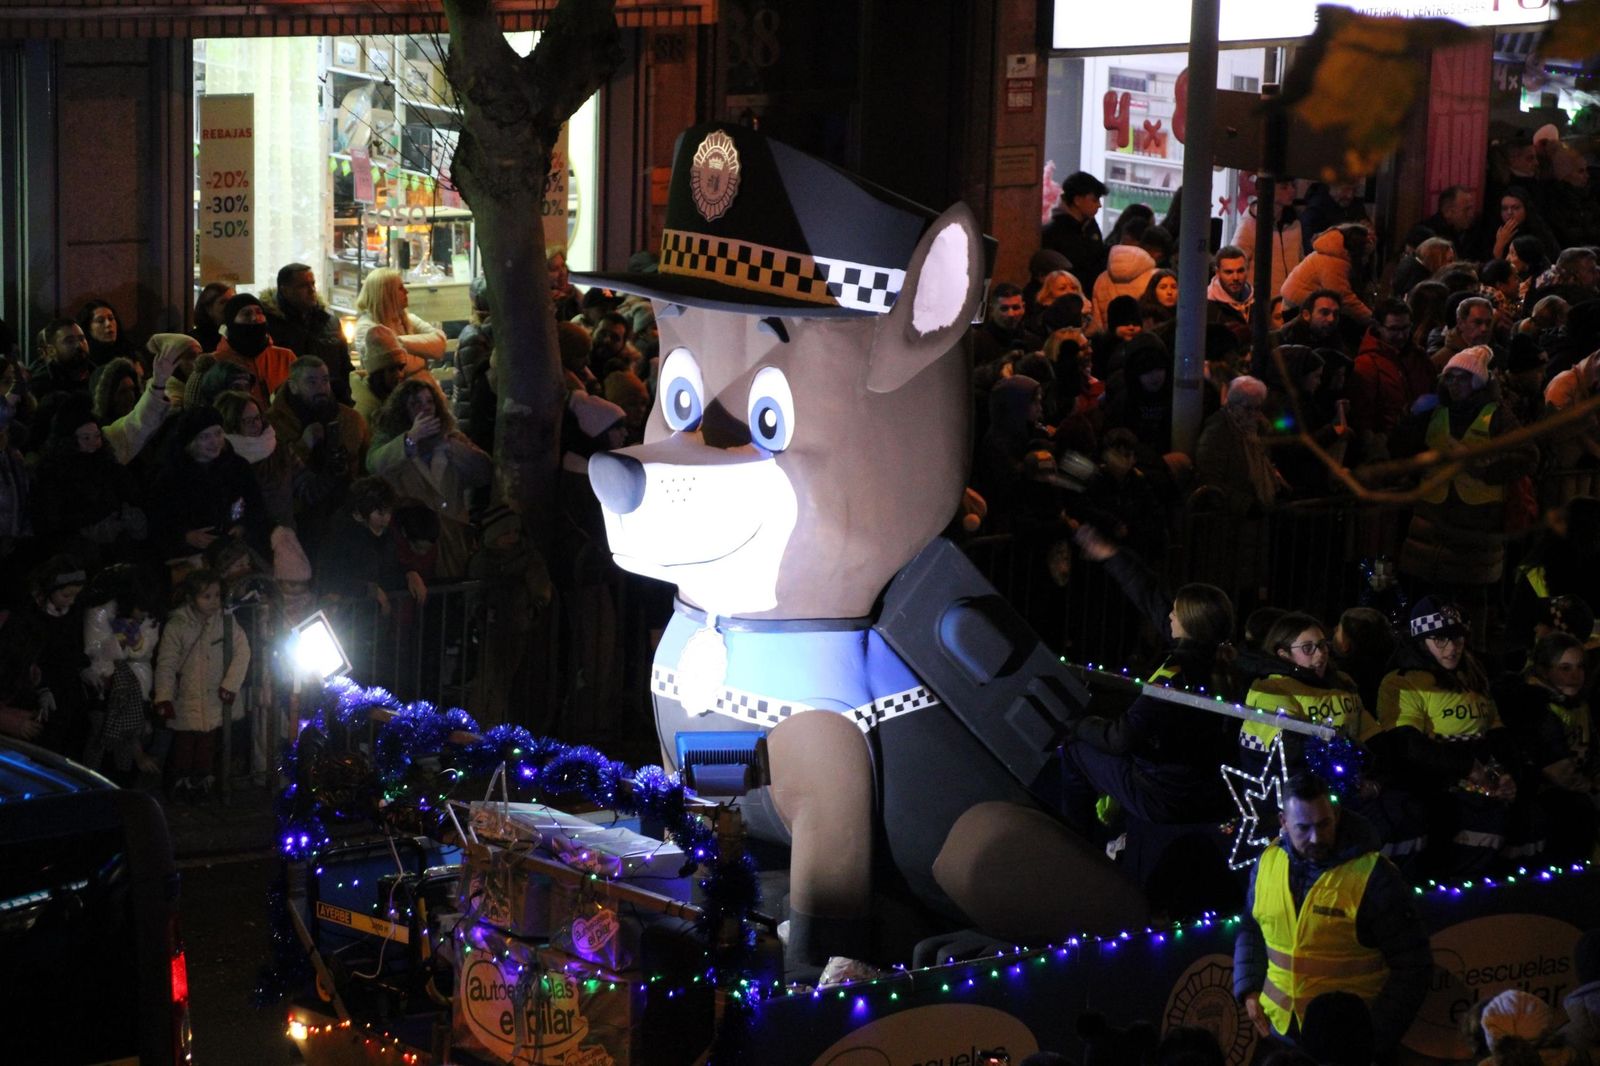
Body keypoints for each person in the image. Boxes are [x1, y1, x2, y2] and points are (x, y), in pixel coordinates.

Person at [1233, 772, 1431, 1059]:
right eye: (1303, 828)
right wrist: (1249, 988)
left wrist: (1373, 1039)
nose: (1316, 837)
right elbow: (1252, 928)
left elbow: (1414, 965)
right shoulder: (1267, 862)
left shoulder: (1375, 876)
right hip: (1281, 1034)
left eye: (1324, 824)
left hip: (1346, 1047)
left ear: (1336, 814)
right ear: (1283, 823)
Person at [1059, 526, 1240, 834]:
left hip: (1164, 795)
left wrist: (1075, 722)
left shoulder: (1174, 678)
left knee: (1074, 750)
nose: (1169, 616)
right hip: (1209, 790)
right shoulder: (1226, 660)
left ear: (1190, 623)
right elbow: (1152, 597)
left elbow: (1119, 738)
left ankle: (1079, 843)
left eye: (1177, 613)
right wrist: (1113, 557)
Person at [1372, 598, 1520, 876]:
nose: (1452, 648)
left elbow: (1497, 734)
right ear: (1420, 640)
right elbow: (1409, 746)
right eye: (1440, 639)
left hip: (1479, 778)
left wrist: (1508, 774)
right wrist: (1467, 770)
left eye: (1458, 639)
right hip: (1432, 781)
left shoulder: (1472, 675)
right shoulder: (1402, 681)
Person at [1391, 346, 1537, 606]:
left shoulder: (1497, 415)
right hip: (1430, 522)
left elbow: (1527, 456)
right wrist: (1408, 419)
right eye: (1450, 377)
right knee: (1425, 595)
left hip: (1475, 525)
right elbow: (1402, 448)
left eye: (1462, 378)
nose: (1454, 384)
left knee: (1468, 600)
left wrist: (1481, 467)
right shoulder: (1435, 410)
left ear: (1477, 382)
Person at [365, 375, 491, 579]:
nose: (425, 408)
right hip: (412, 544)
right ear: (402, 409)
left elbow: (484, 472)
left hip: (453, 541)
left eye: (430, 401)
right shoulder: (390, 440)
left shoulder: (451, 438)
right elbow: (375, 465)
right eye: (416, 403)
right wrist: (410, 440)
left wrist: (451, 446)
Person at [1492, 631, 1597, 862]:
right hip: (1542, 797)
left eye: (1580, 667)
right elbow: (1557, 771)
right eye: (1565, 668)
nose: (1575, 676)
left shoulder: (1576, 703)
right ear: (1544, 670)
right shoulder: (1534, 706)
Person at [153, 568, 249, 804]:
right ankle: (181, 783)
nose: (213, 602)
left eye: (216, 595)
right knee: (185, 742)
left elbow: (243, 650)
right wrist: (164, 696)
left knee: (207, 742)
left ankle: (202, 783)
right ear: (192, 598)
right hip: (187, 696)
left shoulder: (226, 620)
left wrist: (231, 685)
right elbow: (167, 662)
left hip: (214, 697)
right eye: (206, 596)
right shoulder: (177, 625)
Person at [1237, 612, 1372, 778]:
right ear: (1283, 654)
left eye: (1322, 645)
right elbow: (1291, 750)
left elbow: (1369, 731)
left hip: (1352, 778)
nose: (1320, 653)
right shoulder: (1270, 689)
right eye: (1308, 648)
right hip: (1301, 793)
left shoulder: (1342, 681)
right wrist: (1352, 754)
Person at [266, 355, 370, 550]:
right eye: (311, 382)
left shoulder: (351, 420)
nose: (321, 388)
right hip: (297, 521)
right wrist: (303, 445)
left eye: (324, 380)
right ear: (294, 386)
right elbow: (274, 475)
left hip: (344, 516)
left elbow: (366, 465)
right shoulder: (274, 425)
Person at [150, 405, 270, 566]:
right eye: (204, 437)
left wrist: (243, 526)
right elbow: (159, 521)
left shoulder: (237, 466)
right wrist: (186, 536)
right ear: (191, 441)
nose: (214, 442)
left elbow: (256, 505)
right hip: (192, 557)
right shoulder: (172, 477)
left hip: (235, 552)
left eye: (218, 433)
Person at [315, 476, 426, 615]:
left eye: (389, 512)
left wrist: (409, 573)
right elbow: (331, 576)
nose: (386, 519)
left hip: (373, 619)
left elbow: (389, 568)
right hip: (346, 619)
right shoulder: (339, 533)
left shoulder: (385, 534)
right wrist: (367, 589)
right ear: (362, 510)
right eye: (380, 513)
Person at [1348, 299, 1436, 454]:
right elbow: (1363, 417)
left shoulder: (1418, 356)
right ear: (1378, 327)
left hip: (1425, 440)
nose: (1402, 335)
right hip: (1392, 447)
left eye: (1406, 328)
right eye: (1394, 329)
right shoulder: (1367, 364)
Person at [259, 263, 354, 406]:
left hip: (331, 403)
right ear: (285, 290)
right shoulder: (269, 326)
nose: (312, 290)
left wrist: (345, 400)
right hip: (291, 406)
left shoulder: (330, 322)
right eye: (303, 286)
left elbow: (345, 367)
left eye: (313, 284)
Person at [211, 293, 296, 409]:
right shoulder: (216, 362)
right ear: (231, 322)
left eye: (259, 312)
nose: (255, 318)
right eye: (246, 314)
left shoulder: (285, 357)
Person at [1281, 223, 1373, 323]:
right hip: (1298, 310)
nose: (1367, 260)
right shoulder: (1334, 262)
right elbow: (1345, 299)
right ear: (1356, 251)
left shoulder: (1332, 253)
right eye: (1365, 254)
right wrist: (1372, 319)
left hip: (1299, 305)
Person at [352, 267, 446, 364]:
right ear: (385, 294)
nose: (406, 291)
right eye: (400, 288)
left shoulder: (409, 319)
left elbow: (440, 343)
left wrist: (397, 342)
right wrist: (420, 349)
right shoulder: (366, 328)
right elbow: (393, 364)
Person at [1234, 182, 1304, 299]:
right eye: (1284, 186)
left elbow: (1300, 260)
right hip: (1259, 302)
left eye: (1293, 186)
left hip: (1288, 301)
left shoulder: (1294, 223)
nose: (1292, 190)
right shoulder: (1251, 223)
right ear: (1268, 188)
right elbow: (1236, 261)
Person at [1041, 171, 1110, 289]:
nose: (1099, 205)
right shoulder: (1053, 231)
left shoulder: (1090, 225)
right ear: (1077, 200)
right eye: (1094, 200)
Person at [351, 325, 423, 424]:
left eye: (400, 368)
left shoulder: (398, 398)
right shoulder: (364, 412)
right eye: (392, 370)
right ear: (378, 374)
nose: (399, 374)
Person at [1091, 240, 1158, 334]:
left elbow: (1097, 321)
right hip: (1145, 339)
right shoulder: (1154, 276)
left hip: (1112, 340)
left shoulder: (1102, 278)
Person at [970, 282, 1039, 368]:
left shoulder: (1033, 342)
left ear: (1023, 307)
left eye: (1015, 308)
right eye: (1004, 308)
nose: (1011, 314)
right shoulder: (976, 343)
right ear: (992, 310)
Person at [1426, 295, 1500, 371]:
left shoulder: (1498, 354)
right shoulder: (1442, 361)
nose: (1484, 329)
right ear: (1461, 323)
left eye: (1488, 323)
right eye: (1477, 322)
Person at [30, 317, 94, 401]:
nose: (79, 345)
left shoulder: (100, 376)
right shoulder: (41, 384)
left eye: (81, 339)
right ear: (51, 351)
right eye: (70, 341)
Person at [1206, 246, 1254, 345]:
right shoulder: (1206, 306)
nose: (1235, 277)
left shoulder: (1256, 299)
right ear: (1217, 273)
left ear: (1247, 270)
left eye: (1240, 271)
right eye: (1229, 272)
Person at [77, 299, 141, 368]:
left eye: (111, 318)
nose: (108, 324)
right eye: (100, 321)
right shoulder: (87, 363)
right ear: (88, 328)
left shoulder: (130, 351)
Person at [190, 281, 234, 354]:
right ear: (208, 309)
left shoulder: (229, 335)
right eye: (223, 302)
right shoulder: (196, 342)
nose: (230, 305)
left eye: (232, 300)